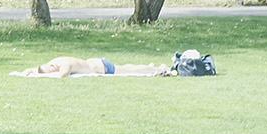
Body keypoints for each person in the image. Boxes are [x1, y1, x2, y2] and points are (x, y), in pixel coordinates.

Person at [11, 56, 169, 77]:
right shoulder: (56, 60)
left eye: (50, 70)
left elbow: (62, 75)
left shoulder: (64, 65)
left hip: (101, 67)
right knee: (128, 66)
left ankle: (158, 69)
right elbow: (33, 69)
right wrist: (31, 71)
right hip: (95, 63)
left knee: (130, 70)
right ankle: (151, 67)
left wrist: (44, 75)